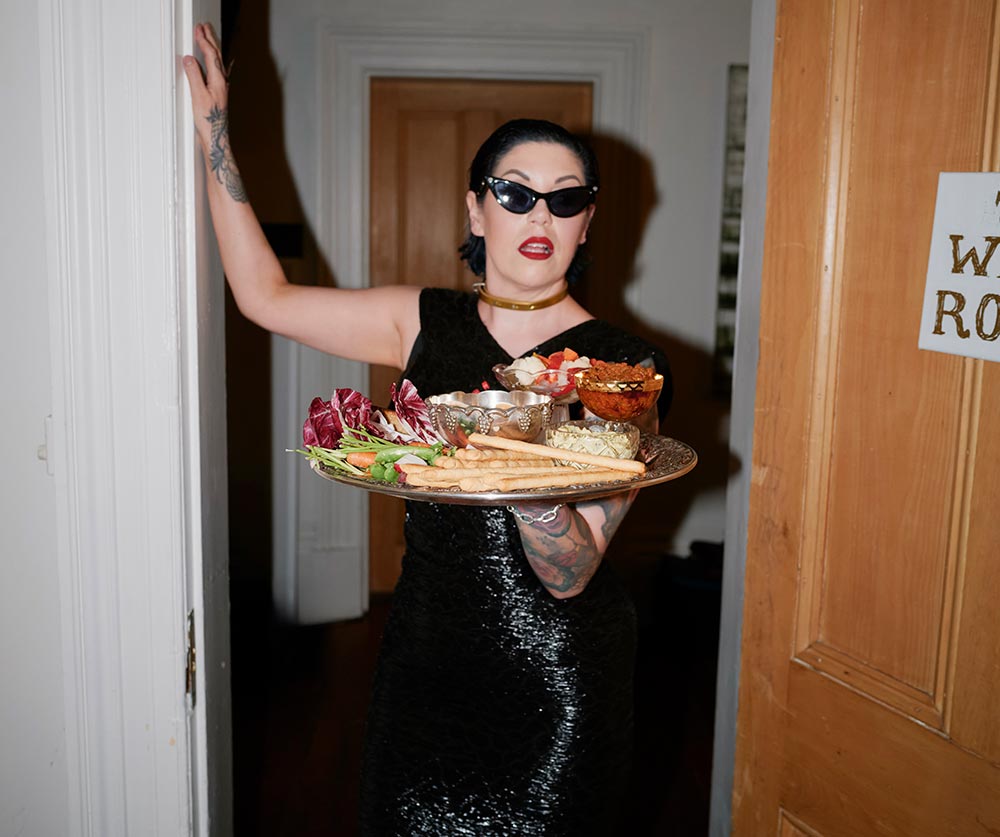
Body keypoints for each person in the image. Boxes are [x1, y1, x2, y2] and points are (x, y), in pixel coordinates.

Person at [185, 22, 672, 836]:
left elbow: (570, 574)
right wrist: (214, 137)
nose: (538, 212)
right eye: (514, 192)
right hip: (425, 658)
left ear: (587, 223)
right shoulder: (422, 322)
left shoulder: (622, 369)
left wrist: (527, 472)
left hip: (556, 680)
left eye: (566, 196)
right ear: (477, 210)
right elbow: (263, 297)